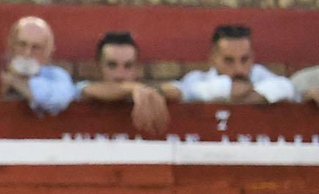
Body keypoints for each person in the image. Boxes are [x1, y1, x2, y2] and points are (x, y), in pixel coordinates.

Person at [162, 23, 297, 102]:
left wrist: (249, 95)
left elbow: (287, 87)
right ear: (213, 59)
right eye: (228, 60)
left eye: (245, 59)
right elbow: (181, 90)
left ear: (252, 57)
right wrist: (228, 90)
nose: (238, 69)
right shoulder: (197, 79)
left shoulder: (260, 75)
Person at [73, 31, 171, 134]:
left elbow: (179, 89)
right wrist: (134, 88)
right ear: (98, 67)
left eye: (128, 66)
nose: (120, 74)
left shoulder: (143, 90)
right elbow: (87, 90)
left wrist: (151, 91)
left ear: (137, 69)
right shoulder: (82, 89)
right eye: (112, 65)